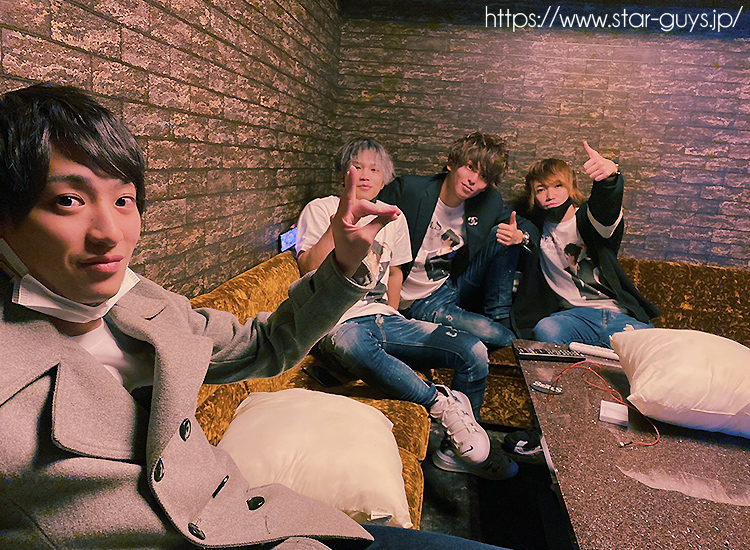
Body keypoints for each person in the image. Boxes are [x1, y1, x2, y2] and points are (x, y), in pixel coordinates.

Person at [0, 83, 511, 550]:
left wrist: (345, 262)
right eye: (68, 201)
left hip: (252, 519)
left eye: (124, 200)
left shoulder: (143, 303)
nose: (110, 233)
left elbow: (266, 344)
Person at [296, 138, 518, 480]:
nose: (365, 175)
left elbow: (396, 272)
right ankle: (439, 402)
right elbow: (308, 266)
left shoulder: (392, 217)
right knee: (352, 344)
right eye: (357, 167)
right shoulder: (320, 208)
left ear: (385, 179)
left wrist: (393, 313)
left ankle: (455, 452)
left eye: (375, 169)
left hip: (384, 316)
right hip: (339, 320)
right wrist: (339, 220)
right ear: (343, 173)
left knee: (473, 350)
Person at [377, 132, 537, 350]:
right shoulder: (410, 190)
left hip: (447, 287)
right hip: (411, 296)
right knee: (501, 339)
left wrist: (520, 236)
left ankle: (499, 316)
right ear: (452, 163)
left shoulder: (488, 201)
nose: (473, 180)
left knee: (504, 234)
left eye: (484, 177)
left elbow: (527, 227)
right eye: (470, 167)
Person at [510, 141, 659, 348]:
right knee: (545, 330)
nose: (550, 195)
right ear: (533, 196)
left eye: (558, 186)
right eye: (541, 190)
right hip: (574, 318)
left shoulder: (589, 220)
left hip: (617, 314)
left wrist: (610, 179)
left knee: (654, 347)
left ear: (572, 187)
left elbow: (605, 210)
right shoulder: (535, 229)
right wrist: (519, 237)